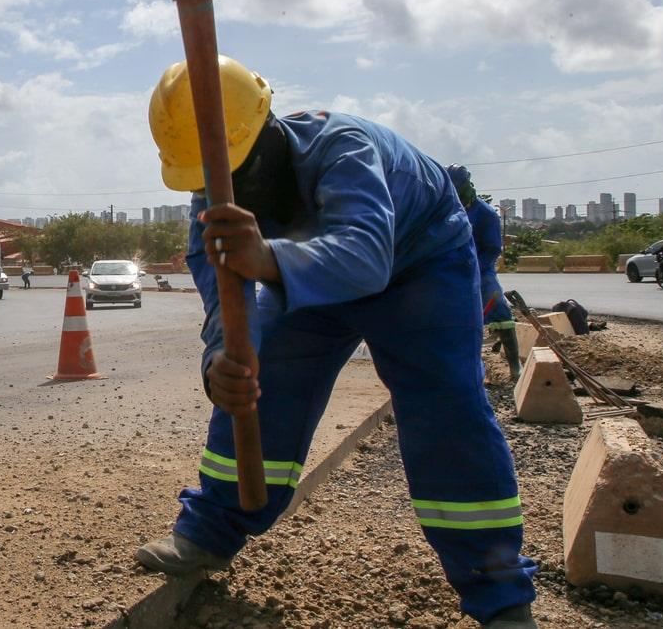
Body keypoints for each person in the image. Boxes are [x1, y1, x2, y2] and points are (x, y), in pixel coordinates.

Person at [135, 57, 538, 629]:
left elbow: (365, 255)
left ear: (268, 131)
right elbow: (215, 273)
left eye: (235, 171)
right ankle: (207, 535)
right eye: (203, 181)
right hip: (305, 270)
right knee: (262, 377)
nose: (225, 189)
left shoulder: (341, 147)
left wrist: (268, 258)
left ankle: (501, 596)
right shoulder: (213, 183)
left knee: (446, 407)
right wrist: (224, 351)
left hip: (418, 264)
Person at [447, 165, 522, 381]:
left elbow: (492, 249)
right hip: (451, 270)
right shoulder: (448, 210)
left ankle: (515, 365)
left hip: (481, 271)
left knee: (497, 305)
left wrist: (474, 270)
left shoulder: (486, 214)